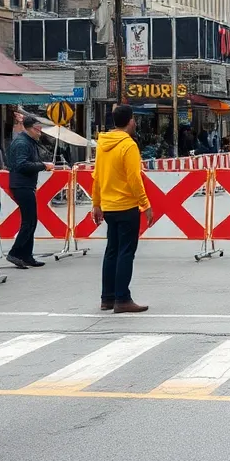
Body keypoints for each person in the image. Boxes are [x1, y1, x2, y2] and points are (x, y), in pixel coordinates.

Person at [92, 105, 153, 313]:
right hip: (126, 205)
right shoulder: (128, 145)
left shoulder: (102, 144)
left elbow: (97, 176)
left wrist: (96, 203)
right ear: (130, 121)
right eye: (133, 119)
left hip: (108, 206)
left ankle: (107, 298)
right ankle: (122, 298)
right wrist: (145, 204)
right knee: (126, 252)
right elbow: (134, 178)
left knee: (112, 251)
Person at [5, 115, 53, 269]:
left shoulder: (29, 142)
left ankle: (27, 255)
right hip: (21, 185)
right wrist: (42, 166)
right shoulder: (22, 143)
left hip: (26, 185)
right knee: (28, 221)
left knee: (31, 221)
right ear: (29, 128)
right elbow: (22, 165)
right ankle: (15, 253)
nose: (40, 132)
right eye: (37, 129)